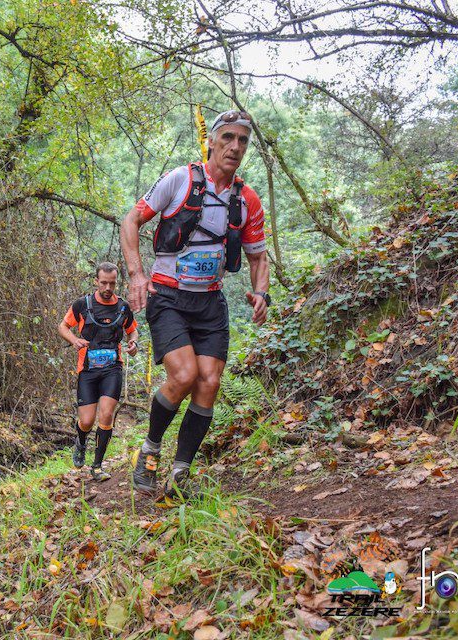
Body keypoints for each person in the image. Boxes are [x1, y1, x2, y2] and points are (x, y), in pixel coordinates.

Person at [119, 109, 271, 500]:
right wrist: (137, 275)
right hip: (168, 297)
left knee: (209, 382)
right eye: (228, 138)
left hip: (210, 302)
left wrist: (261, 292)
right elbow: (131, 221)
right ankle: (150, 450)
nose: (235, 147)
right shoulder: (180, 180)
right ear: (212, 141)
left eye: (243, 141)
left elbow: (258, 256)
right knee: (184, 376)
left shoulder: (247, 199)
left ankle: (181, 471)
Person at [58, 262, 139, 481]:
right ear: (96, 281)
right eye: (103, 282)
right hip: (88, 370)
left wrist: (133, 344)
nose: (107, 287)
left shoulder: (123, 308)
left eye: (112, 283)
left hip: (113, 369)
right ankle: (81, 441)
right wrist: (74, 339)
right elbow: (63, 326)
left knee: (106, 415)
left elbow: (133, 331)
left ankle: (97, 465)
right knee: (86, 420)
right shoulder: (82, 305)